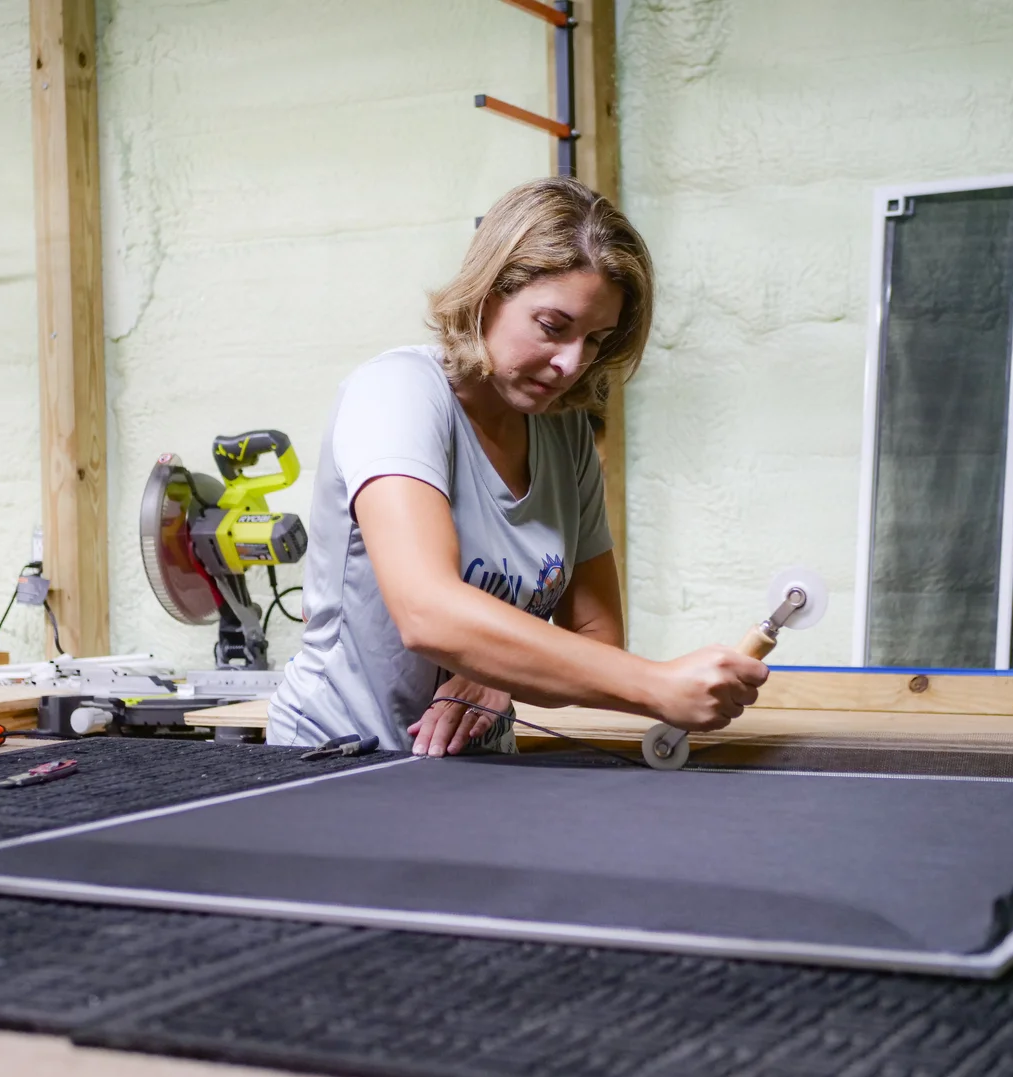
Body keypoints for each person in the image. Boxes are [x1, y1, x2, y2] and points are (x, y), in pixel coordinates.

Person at [267, 176, 768, 755]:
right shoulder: (396, 394)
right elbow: (428, 612)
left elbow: (596, 633)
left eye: (596, 340)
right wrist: (656, 687)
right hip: (338, 757)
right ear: (488, 294)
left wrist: (498, 670)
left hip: (476, 771)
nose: (570, 363)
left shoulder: (565, 430)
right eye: (553, 327)